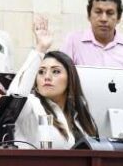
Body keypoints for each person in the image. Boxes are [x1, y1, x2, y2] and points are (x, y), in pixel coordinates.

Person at [8, 16, 98, 149]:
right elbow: (15, 96)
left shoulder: (80, 113)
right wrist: (40, 49)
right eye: (41, 72)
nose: (47, 77)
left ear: (70, 78)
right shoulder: (31, 106)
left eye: (55, 71)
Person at [61, 0, 123, 69]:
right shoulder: (73, 42)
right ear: (89, 16)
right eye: (98, 12)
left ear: (118, 18)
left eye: (110, 13)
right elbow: (60, 74)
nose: (103, 19)